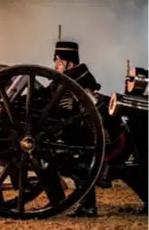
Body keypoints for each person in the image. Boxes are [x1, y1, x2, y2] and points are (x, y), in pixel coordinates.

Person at [52, 41, 102, 218]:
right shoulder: (62, 81)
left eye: (58, 63)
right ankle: (70, 203)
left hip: (83, 134)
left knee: (78, 168)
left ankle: (88, 206)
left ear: (69, 63)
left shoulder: (80, 79)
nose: (56, 67)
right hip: (69, 133)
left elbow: (89, 107)